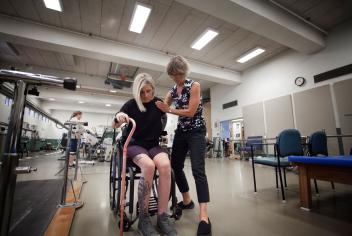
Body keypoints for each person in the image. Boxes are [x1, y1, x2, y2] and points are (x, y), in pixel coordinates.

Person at [113, 73, 177, 236]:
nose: (146, 95)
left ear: (153, 89)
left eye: (149, 91)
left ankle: (162, 217)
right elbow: (115, 123)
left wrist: (168, 108)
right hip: (135, 144)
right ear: (137, 91)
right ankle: (144, 218)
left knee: (165, 166)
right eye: (142, 92)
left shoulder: (158, 103)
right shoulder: (130, 105)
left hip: (153, 145)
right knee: (148, 166)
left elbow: (167, 114)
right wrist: (119, 118)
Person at [156, 55, 211, 236]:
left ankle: (204, 216)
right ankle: (187, 200)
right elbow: (163, 105)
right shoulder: (173, 89)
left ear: (183, 72)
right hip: (181, 132)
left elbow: (190, 111)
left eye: (177, 75)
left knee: (198, 170)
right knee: (175, 167)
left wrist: (169, 110)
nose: (175, 79)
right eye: (172, 76)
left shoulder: (194, 86)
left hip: (196, 132)